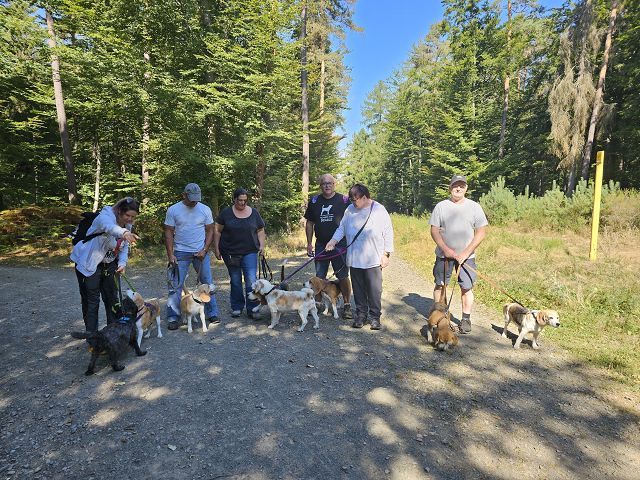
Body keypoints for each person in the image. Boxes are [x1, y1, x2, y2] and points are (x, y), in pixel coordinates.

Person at [325, 184, 394, 330]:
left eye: (355, 200)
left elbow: (388, 232)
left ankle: (375, 318)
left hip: (373, 259)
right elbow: (342, 228)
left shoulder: (379, 209)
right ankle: (361, 316)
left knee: (374, 290)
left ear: (364, 197)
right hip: (355, 258)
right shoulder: (350, 210)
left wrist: (386, 254)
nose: (353, 203)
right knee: (358, 290)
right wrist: (333, 241)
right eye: (351, 200)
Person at [71, 197, 141, 335]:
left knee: (112, 299)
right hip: (89, 263)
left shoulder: (127, 225)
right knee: (92, 301)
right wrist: (124, 233)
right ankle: (92, 336)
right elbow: (109, 227)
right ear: (119, 211)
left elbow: (124, 246)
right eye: (128, 215)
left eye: (133, 217)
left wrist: (122, 263)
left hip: (110, 264)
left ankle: (113, 334)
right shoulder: (104, 217)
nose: (130, 219)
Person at [429, 174, 488, 334]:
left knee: (466, 287)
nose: (458, 188)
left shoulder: (474, 207)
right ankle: (439, 315)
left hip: (467, 257)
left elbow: (481, 232)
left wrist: (466, 252)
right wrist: (446, 249)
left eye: (462, 186)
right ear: (450, 188)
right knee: (440, 284)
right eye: (455, 185)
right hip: (444, 256)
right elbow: (434, 230)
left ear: (466, 188)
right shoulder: (441, 206)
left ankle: (466, 319)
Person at [164, 183, 219, 330]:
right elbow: (168, 232)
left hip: (200, 252)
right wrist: (170, 254)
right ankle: (173, 317)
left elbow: (210, 230)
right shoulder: (173, 210)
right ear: (184, 195)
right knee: (175, 286)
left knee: (207, 283)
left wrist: (205, 249)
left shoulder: (205, 209)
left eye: (197, 198)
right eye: (191, 198)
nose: (194, 201)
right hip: (180, 252)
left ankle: (212, 313)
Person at [304, 174, 353, 320]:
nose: (327, 185)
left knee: (342, 275)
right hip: (321, 245)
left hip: (340, 245)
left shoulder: (344, 200)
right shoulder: (314, 201)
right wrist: (309, 243)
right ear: (320, 185)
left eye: (329, 183)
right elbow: (309, 223)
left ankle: (347, 304)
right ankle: (318, 304)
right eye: (324, 183)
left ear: (334, 184)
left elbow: (352, 221)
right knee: (319, 276)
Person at [213, 188, 266, 319]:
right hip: (230, 252)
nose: (242, 203)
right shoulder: (226, 213)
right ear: (234, 199)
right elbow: (217, 230)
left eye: (245, 200)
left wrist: (262, 246)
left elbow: (260, 230)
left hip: (250, 251)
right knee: (235, 280)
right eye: (240, 200)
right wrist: (217, 248)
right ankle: (237, 307)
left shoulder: (254, 213)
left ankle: (253, 309)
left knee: (251, 280)